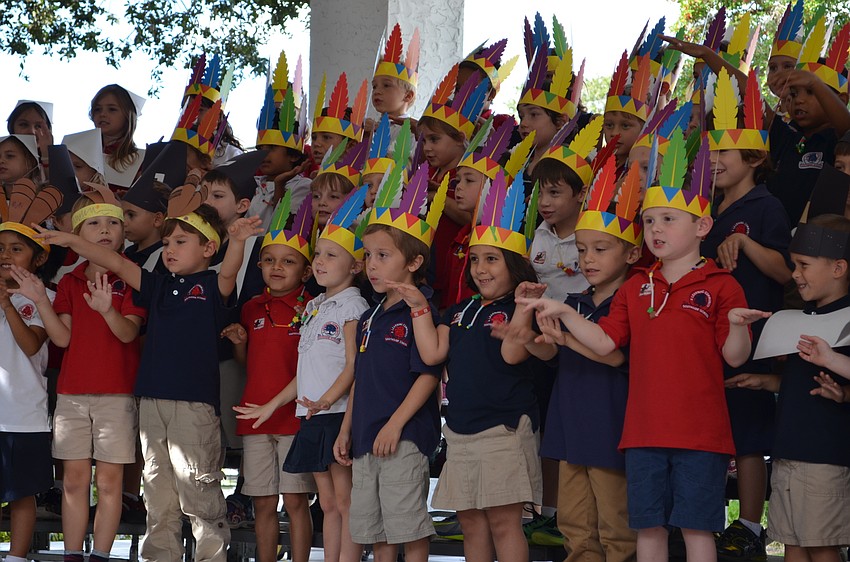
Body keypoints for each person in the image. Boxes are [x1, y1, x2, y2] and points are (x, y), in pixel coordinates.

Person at [517, 133, 767, 562]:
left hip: (701, 435)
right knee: (647, 529)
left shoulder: (723, 285)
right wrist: (561, 310)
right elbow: (605, 339)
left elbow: (734, 357)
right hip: (643, 434)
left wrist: (740, 327)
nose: (656, 229)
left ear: (702, 226)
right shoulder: (637, 287)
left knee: (697, 530)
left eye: (668, 219)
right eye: (650, 221)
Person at [33, 181, 263, 562]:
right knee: (157, 492)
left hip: (194, 407)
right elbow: (117, 262)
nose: (170, 250)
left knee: (198, 492)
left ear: (208, 249)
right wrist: (70, 241)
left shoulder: (211, 286)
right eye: (168, 242)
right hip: (152, 403)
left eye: (180, 243)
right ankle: (161, 556)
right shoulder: (155, 285)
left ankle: (211, 557)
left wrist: (236, 241)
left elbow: (230, 271)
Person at [394, 168, 543, 562]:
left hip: (503, 429)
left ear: (515, 264)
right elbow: (432, 354)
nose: (480, 269)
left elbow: (513, 354)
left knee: (503, 523)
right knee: (472, 522)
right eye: (475, 259)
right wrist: (418, 306)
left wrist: (525, 309)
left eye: (492, 259)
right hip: (459, 431)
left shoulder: (519, 307)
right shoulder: (461, 309)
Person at [505, 156, 643, 562]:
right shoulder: (577, 301)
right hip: (572, 424)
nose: (588, 260)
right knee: (575, 528)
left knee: (616, 528)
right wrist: (525, 335)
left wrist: (562, 333)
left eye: (601, 249)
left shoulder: (630, 300)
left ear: (631, 255)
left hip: (610, 426)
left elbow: (613, 355)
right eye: (582, 250)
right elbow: (551, 351)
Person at [13, 186, 145, 562]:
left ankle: (100, 555)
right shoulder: (70, 282)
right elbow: (62, 338)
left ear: (122, 233)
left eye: (112, 223)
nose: (105, 230)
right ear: (78, 235)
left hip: (117, 395)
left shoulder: (131, 280)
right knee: (73, 481)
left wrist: (107, 309)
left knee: (109, 482)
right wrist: (41, 299)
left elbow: (128, 332)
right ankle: (73, 554)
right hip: (72, 394)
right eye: (95, 224)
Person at [334, 163, 447, 562]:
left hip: (403, 435)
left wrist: (395, 425)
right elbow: (360, 379)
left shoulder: (421, 311)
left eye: (384, 255)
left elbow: (428, 374)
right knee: (375, 527)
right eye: (368, 256)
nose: (373, 265)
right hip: (366, 435)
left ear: (413, 263)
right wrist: (346, 428)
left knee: (408, 524)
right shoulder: (370, 314)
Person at [702, 68, 793, 559]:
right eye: (711, 153)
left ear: (755, 158)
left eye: (724, 154)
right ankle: (705, 520)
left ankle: (751, 527)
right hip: (708, 337)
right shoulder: (706, 208)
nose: (713, 162)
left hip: (752, 340)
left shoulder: (766, 206)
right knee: (712, 431)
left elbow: (784, 271)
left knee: (748, 437)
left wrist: (744, 242)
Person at [728, 213, 850, 562]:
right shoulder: (802, 318)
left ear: (838, 268)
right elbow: (804, 381)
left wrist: (832, 366)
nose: (794, 274)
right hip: (788, 452)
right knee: (790, 542)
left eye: (803, 265)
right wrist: (768, 382)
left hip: (824, 456)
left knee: (821, 544)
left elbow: (837, 383)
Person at [223, 194, 318, 562]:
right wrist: (241, 344)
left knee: (295, 501)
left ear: (306, 272)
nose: (277, 268)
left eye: (289, 262)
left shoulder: (312, 308)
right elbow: (250, 364)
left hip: (294, 418)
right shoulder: (250, 308)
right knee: (262, 501)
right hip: (253, 418)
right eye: (269, 261)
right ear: (259, 264)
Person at [281, 187, 370, 562]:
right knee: (329, 503)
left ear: (355, 266)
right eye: (317, 253)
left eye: (331, 255)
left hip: (335, 413)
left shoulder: (353, 304)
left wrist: (327, 400)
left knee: (346, 501)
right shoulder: (316, 304)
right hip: (312, 414)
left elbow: (353, 364)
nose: (319, 261)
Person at [0, 182, 60, 562]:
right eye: (0, 249)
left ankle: (18, 558)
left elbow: (33, 345)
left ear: (37, 260)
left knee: (21, 495)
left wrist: (7, 302)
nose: (5, 255)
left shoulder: (44, 297)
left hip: (23, 416)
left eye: (16, 249)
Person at [529, 115, 603, 301]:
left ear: (581, 193)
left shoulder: (594, 239)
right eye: (539, 193)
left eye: (554, 193)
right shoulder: (535, 235)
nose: (544, 202)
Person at [250, 52, 312, 229]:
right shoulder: (253, 183)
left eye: (271, 148)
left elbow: (285, 228)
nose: (263, 154)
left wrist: (279, 186)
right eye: (261, 148)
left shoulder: (302, 186)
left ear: (293, 155)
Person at [367, 23, 418, 144]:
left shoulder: (412, 132)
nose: (377, 91)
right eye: (374, 86)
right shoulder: (370, 127)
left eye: (386, 85)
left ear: (408, 95)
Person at [89, 84, 145, 191]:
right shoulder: (78, 151)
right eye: (97, 109)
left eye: (112, 109)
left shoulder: (139, 161)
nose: (103, 114)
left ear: (128, 115)